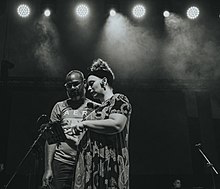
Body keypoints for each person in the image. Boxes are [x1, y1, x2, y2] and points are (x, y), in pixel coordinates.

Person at [64, 58, 132, 189]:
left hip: (109, 166)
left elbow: (116, 124)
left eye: (91, 83)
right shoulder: (96, 110)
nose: (88, 88)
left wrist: (84, 124)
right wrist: (70, 138)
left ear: (104, 81)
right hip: (93, 168)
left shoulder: (119, 99)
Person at [42, 70, 97, 189]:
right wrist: (48, 169)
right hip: (62, 163)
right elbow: (51, 140)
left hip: (85, 163)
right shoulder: (59, 107)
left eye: (76, 84)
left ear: (84, 83)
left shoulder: (94, 108)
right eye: (69, 85)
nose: (72, 88)